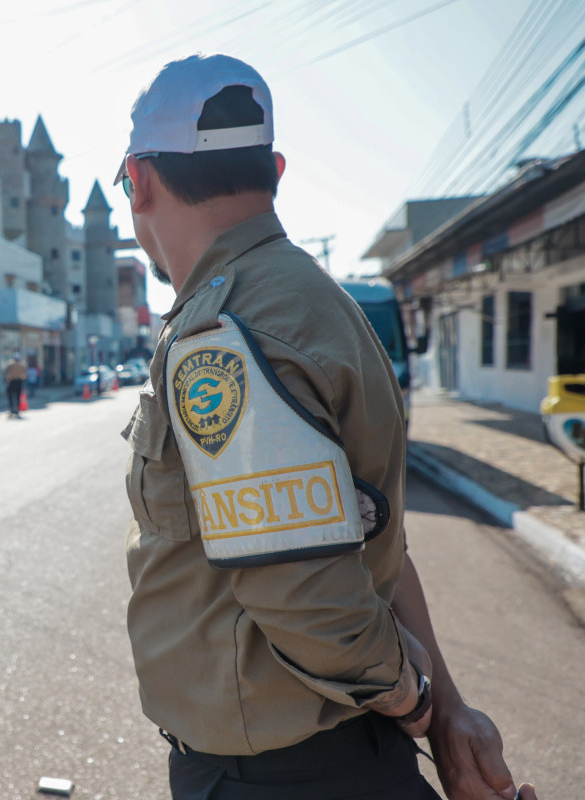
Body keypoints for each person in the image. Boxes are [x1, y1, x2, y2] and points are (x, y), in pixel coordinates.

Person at [116, 53, 535, 800]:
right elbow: (377, 543)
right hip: (337, 753)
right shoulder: (319, 303)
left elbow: (306, 596)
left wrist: (419, 702)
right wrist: (445, 710)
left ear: (138, 181)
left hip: (274, 777)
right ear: (273, 168)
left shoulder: (226, 333)